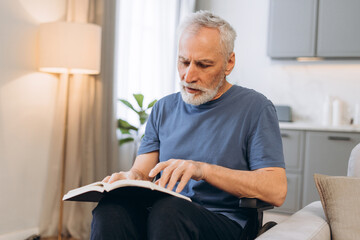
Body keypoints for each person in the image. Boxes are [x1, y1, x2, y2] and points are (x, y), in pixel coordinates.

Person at [90, 10, 287, 240]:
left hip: (224, 220)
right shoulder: (163, 108)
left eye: (203, 65)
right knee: (110, 209)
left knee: (169, 211)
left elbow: (276, 190)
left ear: (229, 63)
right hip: (163, 214)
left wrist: (203, 170)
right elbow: (142, 173)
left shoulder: (256, 108)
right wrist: (128, 177)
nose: (188, 75)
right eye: (184, 62)